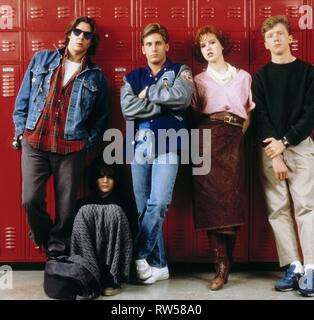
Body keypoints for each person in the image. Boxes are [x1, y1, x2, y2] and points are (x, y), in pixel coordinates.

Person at [12, 16, 110, 259]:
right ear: (69, 34)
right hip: (35, 143)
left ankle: (57, 254)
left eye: (87, 35)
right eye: (78, 32)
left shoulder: (96, 76)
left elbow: (101, 118)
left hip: (71, 148)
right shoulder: (42, 59)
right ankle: (45, 238)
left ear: (91, 42)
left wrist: (88, 144)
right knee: (30, 200)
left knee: (66, 211)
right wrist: (21, 132)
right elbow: (22, 100)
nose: (81, 37)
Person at [120, 23, 194, 284]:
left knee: (159, 202)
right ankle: (159, 264)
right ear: (143, 49)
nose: (154, 48)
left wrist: (149, 93)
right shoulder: (132, 77)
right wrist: (163, 106)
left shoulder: (180, 71)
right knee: (143, 207)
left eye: (158, 43)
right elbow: (129, 110)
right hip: (139, 143)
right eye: (149, 44)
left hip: (169, 141)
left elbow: (183, 99)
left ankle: (138, 254)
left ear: (166, 46)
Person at [252, 15, 314, 296]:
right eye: (270, 36)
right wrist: (275, 152)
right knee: (277, 210)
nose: (275, 39)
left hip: (299, 147)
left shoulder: (308, 72)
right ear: (265, 43)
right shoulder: (261, 77)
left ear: (290, 38)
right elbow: (260, 116)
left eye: (280, 34)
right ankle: (294, 265)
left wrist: (286, 142)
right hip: (270, 151)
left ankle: (312, 267)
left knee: (306, 207)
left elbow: (310, 114)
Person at [191, 25, 255, 290]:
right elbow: (194, 113)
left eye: (212, 42)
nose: (208, 48)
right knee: (210, 201)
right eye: (203, 45)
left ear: (221, 45)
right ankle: (221, 266)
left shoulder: (243, 77)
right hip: (207, 138)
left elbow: (248, 112)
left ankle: (228, 259)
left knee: (232, 198)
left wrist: (237, 135)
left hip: (234, 138)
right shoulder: (198, 81)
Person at [71, 158, 133, 297]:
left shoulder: (125, 204)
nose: (105, 180)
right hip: (90, 255)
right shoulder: (83, 204)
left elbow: (130, 237)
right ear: (94, 179)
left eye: (110, 176)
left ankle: (112, 276)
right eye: (101, 176)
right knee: (84, 211)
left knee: (115, 211)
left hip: (114, 258)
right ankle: (88, 273)